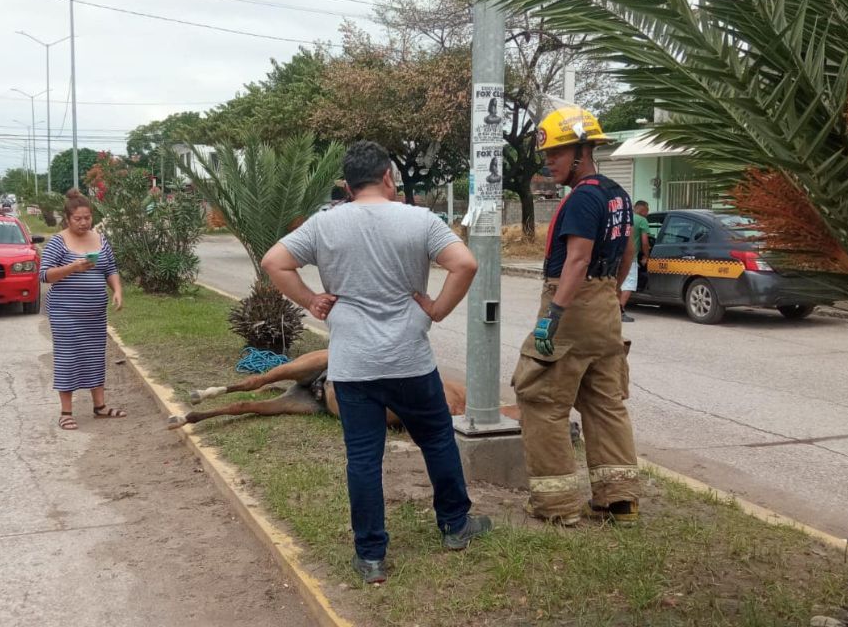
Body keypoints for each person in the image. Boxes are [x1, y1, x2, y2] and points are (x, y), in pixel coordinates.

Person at [261, 141, 491, 586]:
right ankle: (455, 526)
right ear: (389, 177)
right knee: (438, 440)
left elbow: (274, 262)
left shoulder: (325, 224)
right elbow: (465, 263)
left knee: (363, 459)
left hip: (353, 366)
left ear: (347, 186)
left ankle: (370, 557)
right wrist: (437, 309)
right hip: (410, 359)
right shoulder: (420, 219)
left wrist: (311, 299)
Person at [511, 106, 640, 526]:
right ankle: (619, 500)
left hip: (572, 307)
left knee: (541, 400)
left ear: (583, 150)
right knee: (605, 403)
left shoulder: (583, 198)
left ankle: (556, 505)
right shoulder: (618, 194)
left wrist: (555, 315)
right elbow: (628, 252)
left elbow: (577, 260)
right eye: (547, 156)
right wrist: (612, 293)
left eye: (558, 154)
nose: (549, 164)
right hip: (605, 310)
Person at [39, 188, 126, 430]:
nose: (84, 222)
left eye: (88, 217)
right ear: (68, 219)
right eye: (78, 218)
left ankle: (100, 406)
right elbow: (44, 275)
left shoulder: (99, 240)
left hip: (95, 313)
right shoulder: (59, 242)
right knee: (68, 358)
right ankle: (66, 412)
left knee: (95, 356)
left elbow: (111, 269)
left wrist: (117, 290)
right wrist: (72, 268)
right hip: (65, 313)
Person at [619, 200, 652, 322]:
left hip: (616, 257)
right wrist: (646, 256)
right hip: (630, 258)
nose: (647, 214)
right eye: (647, 211)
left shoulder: (624, 218)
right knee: (629, 284)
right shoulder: (642, 220)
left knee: (618, 284)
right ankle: (620, 311)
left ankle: (611, 311)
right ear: (643, 209)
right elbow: (644, 242)